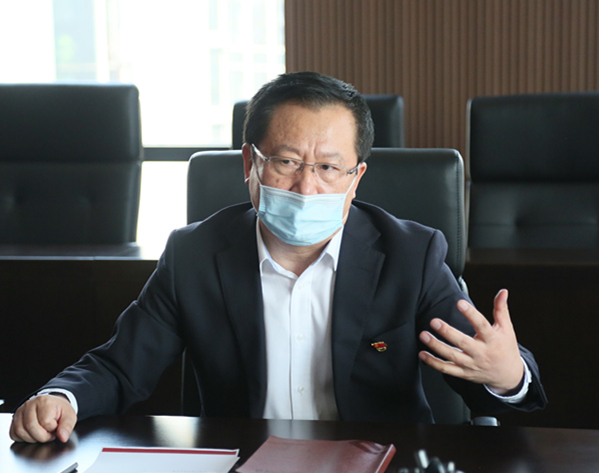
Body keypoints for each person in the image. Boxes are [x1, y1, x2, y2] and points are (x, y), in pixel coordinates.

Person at [10, 71, 547, 444]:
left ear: (356, 178)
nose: (307, 187)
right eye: (286, 162)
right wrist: (61, 398)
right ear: (249, 163)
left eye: (329, 168)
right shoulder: (195, 254)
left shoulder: (411, 254)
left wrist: (508, 375)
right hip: (244, 461)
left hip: (377, 462)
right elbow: (119, 366)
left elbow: (484, 375)